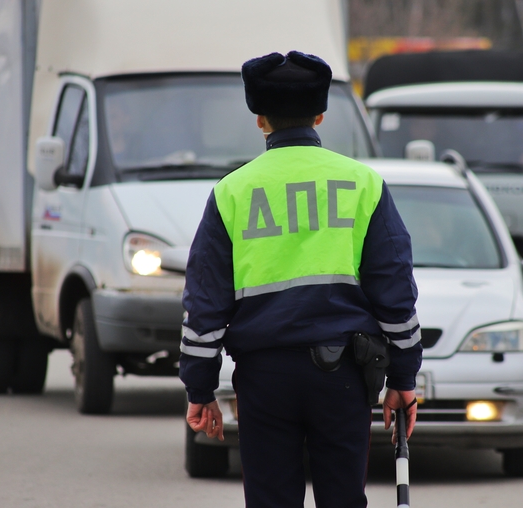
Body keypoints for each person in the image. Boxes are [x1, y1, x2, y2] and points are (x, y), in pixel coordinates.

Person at [179, 50, 422, 508]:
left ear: (260, 119)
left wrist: (200, 387)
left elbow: (204, 302)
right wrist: (403, 379)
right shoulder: (363, 183)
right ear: (321, 114)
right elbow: (395, 292)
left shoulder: (233, 191)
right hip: (343, 376)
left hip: (264, 378)